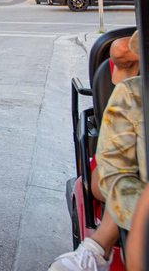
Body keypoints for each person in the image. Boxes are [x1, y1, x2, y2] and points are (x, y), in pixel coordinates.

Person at [48, 31, 142, 271]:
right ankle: (99, 247)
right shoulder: (133, 89)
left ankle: (100, 246)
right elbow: (121, 49)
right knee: (108, 179)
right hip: (129, 160)